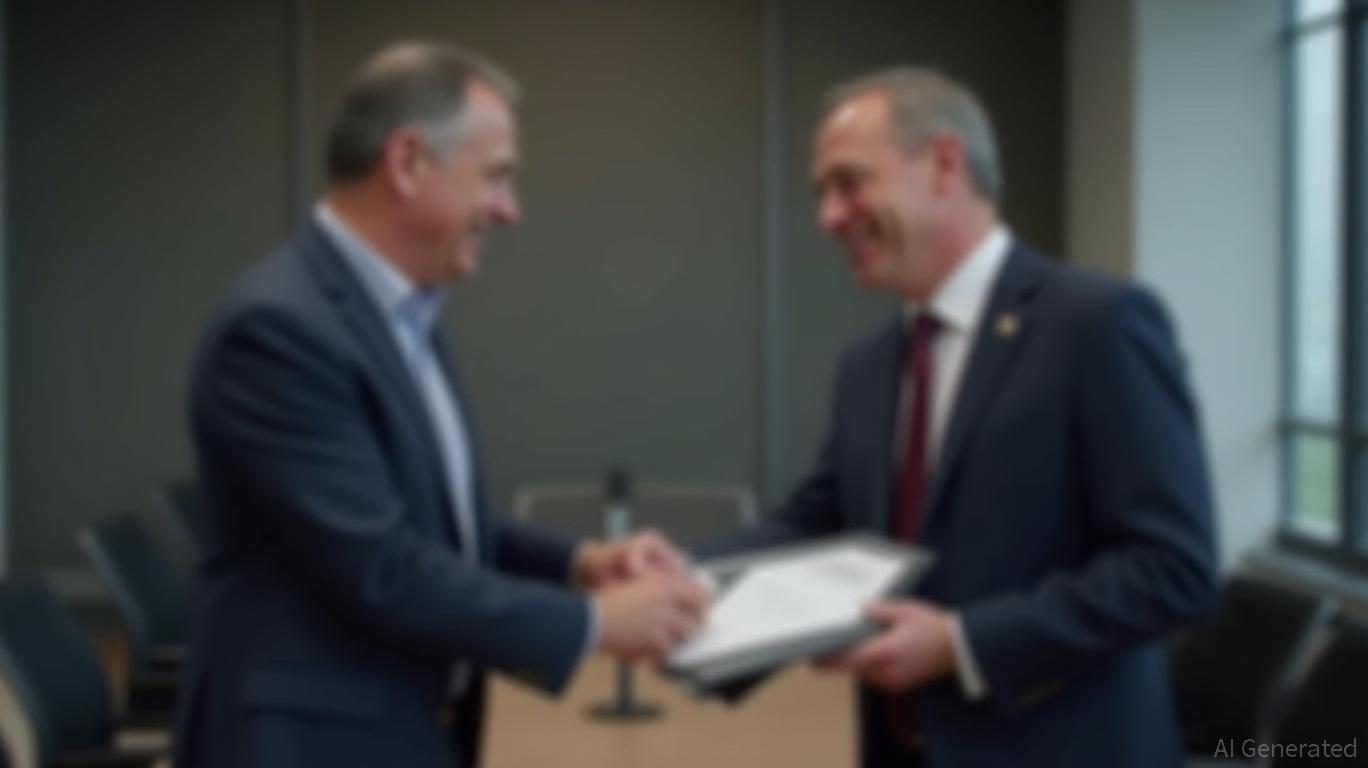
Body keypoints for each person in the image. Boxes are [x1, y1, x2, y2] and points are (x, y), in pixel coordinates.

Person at [173, 41, 707, 768]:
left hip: (403, 728)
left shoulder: (403, 315)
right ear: (408, 163)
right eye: (496, 177)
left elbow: (439, 526)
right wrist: (589, 622)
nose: (510, 210)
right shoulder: (278, 329)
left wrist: (582, 562)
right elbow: (382, 568)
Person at [698, 66, 1219, 768]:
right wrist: (680, 578)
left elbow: (1174, 569)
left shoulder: (1098, 325)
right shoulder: (869, 361)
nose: (828, 216)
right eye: (822, 193)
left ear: (944, 164)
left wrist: (963, 643)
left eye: (849, 183)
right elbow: (820, 520)